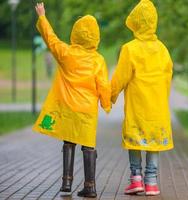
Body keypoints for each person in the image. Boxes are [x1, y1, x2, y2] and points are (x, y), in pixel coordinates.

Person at [32, 3, 111, 198]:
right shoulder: (98, 60)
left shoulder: (66, 54)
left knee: (68, 141)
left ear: (75, 34)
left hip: (68, 108)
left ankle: (66, 183)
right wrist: (106, 103)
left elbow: (51, 40)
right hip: (87, 111)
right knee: (88, 145)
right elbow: (103, 85)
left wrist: (42, 16)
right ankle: (90, 186)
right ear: (96, 36)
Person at [111, 0, 173, 196]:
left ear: (136, 23)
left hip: (137, 106)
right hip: (157, 106)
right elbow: (168, 75)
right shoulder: (162, 49)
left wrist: (110, 96)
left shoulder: (129, 49)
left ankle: (136, 179)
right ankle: (152, 182)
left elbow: (120, 77)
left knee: (136, 139)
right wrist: (163, 95)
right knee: (153, 141)